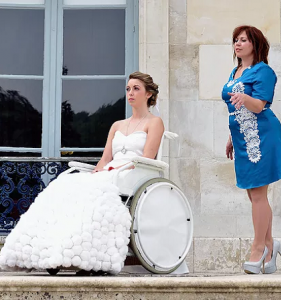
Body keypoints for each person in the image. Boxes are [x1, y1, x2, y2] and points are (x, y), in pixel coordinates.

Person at [0, 71, 164, 275]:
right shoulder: (118, 125)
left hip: (133, 173)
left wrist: (117, 171)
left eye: (136, 89)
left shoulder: (154, 122)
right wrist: (98, 171)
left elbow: (147, 159)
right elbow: (105, 158)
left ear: (148, 94)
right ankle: (50, 252)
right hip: (110, 172)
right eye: (128, 89)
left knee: (95, 191)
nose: (130, 93)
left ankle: (90, 259)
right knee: (65, 185)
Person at [222, 25, 281, 274]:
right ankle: (271, 245)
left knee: (258, 195)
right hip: (242, 137)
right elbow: (235, 108)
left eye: (243, 40)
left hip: (262, 137)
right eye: (235, 40)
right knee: (254, 195)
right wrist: (231, 136)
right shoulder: (235, 71)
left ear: (256, 45)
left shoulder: (264, 71)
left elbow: (259, 105)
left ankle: (258, 247)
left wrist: (244, 99)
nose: (238, 44)